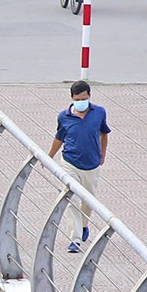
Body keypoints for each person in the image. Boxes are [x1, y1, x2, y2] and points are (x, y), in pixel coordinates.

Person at [47, 79, 111, 253]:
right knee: (72, 199)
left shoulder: (99, 113)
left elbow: (104, 134)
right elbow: (59, 138)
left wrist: (102, 155)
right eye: (77, 99)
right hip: (70, 163)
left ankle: (83, 225)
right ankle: (74, 239)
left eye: (83, 98)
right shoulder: (64, 116)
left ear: (89, 96)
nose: (81, 102)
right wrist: (49, 157)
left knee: (87, 200)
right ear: (72, 98)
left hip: (91, 164)